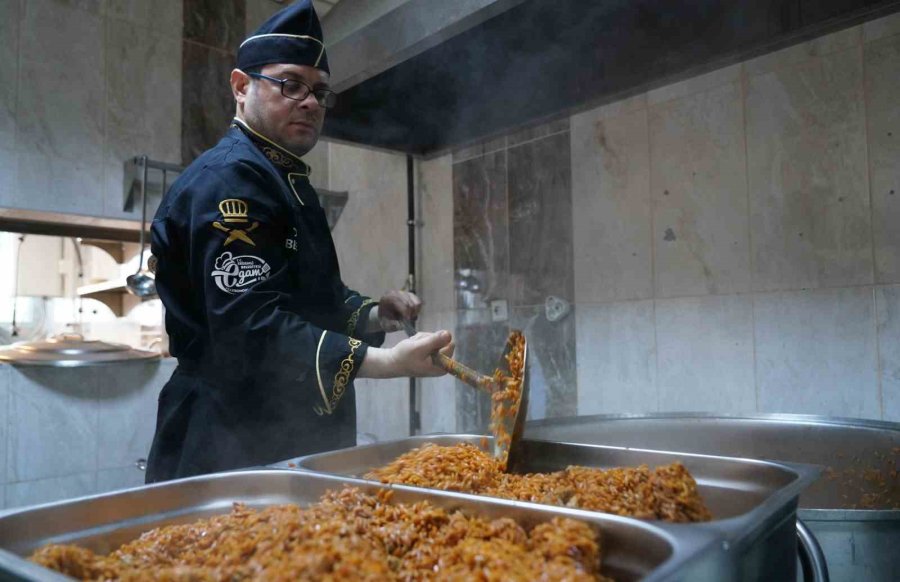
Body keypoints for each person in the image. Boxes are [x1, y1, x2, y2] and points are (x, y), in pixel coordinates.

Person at [145, 0, 452, 483]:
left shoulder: (283, 177)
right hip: (232, 441)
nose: (309, 102)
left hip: (290, 435)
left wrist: (376, 314)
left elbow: (309, 299)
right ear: (241, 86)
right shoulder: (232, 180)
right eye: (290, 84)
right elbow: (250, 328)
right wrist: (387, 363)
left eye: (320, 91)